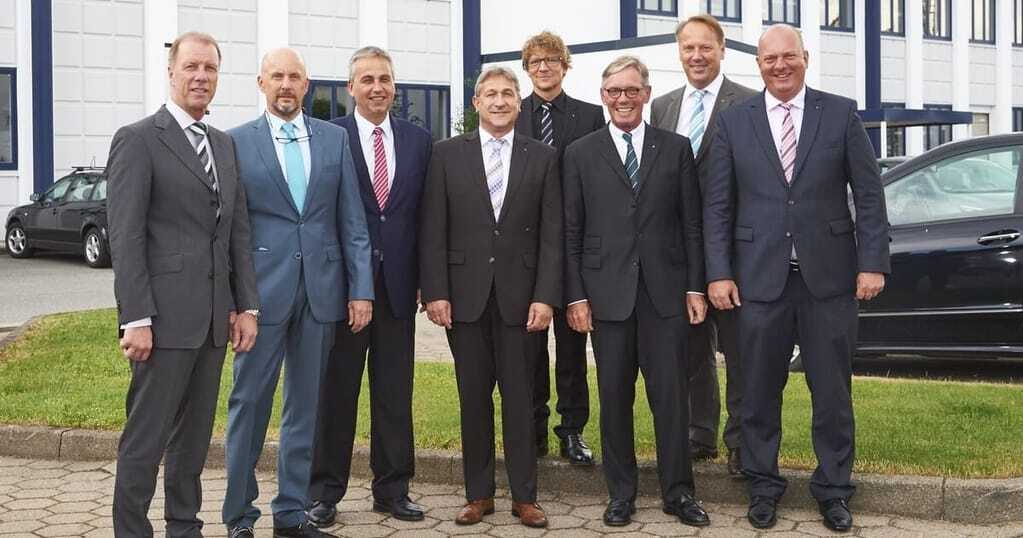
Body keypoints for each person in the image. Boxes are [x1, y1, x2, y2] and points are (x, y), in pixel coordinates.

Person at [704, 25, 890, 532]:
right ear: (758, 64)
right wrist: (718, 273)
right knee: (758, 393)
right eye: (770, 59)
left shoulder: (840, 113)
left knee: (832, 393)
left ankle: (834, 490)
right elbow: (717, 205)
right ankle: (763, 487)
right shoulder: (734, 122)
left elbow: (869, 194)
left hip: (829, 280)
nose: (780, 66)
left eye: (789, 56)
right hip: (757, 280)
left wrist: (872, 261)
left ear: (805, 57)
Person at [108, 31, 260, 537]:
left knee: (193, 443)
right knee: (145, 440)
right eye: (191, 67)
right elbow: (126, 236)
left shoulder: (223, 144)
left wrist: (246, 307)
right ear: (171, 72)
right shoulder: (138, 139)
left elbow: (237, 231)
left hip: (213, 321)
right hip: (162, 321)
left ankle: (184, 527)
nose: (201, 76)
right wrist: (135, 317)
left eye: (210, 68)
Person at [221, 47, 373, 538]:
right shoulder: (235, 142)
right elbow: (230, 229)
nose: (285, 85)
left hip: (321, 293)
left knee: (305, 408)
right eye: (276, 76)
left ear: (307, 85)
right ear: (261, 83)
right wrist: (237, 301)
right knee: (249, 405)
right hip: (260, 297)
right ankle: (239, 516)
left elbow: (352, 220)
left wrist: (361, 289)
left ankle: (290, 512)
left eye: (294, 77)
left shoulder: (334, 139)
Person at [563, 55, 710, 529]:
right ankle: (620, 494)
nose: (622, 99)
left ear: (646, 94)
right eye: (614, 91)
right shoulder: (580, 153)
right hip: (606, 296)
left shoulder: (676, 148)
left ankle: (678, 493)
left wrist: (695, 286)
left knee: (671, 398)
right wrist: (576, 296)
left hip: (665, 294)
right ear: (603, 97)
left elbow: (691, 225)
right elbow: (572, 232)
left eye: (631, 90)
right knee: (614, 397)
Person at [419, 66, 561, 529]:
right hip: (464, 299)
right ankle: (478, 494)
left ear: (519, 103)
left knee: (521, 399)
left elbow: (552, 234)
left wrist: (546, 296)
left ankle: (525, 497)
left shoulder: (543, 157)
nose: (499, 101)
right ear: (476, 103)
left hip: (523, 301)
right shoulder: (445, 154)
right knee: (473, 397)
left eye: (507, 94)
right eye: (491, 94)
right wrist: (436, 291)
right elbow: (433, 227)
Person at [307, 46, 433, 528]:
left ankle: (393, 490)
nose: (377, 87)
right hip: (343, 291)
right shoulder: (329, 136)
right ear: (350, 88)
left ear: (394, 86)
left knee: (395, 395)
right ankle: (324, 493)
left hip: (399, 289)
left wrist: (424, 280)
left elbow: (425, 215)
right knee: (336, 394)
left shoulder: (419, 140)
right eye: (367, 80)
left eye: (384, 79)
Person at [650, 14, 758, 475]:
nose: (696, 56)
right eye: (688, 48)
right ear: (679, 52)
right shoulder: (662, 107)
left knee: (739, 350)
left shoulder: (749, 103)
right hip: (680, 252)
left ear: (722, 50)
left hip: (735, 251)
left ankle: (741, 442)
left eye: (705, 47)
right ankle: (700, 433)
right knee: (691, 346)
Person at [514, 30, 605, 466]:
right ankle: (533, 430)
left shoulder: (591, 116)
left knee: (571, 348)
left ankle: (572, 430)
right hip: (525, 250)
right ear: (527, 69)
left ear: (565, 66)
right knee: (529, 349)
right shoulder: (512, 114)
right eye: (535, 62)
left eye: (551, 60)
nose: (544, 67)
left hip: (574, 247)